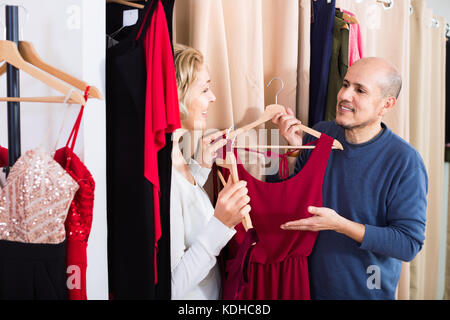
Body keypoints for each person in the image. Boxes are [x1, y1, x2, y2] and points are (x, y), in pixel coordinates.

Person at [272, 57, 428, 299]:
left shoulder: (404, 161)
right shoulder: (322, 133)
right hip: (305, 288)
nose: (344, 95)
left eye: (360, 90)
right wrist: (295, 150)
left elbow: (408, 244)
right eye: (345, 84)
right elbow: (297, 194)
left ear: (386, 105)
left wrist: (340, 225)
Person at [170, 44, 251, 299]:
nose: (213, 97)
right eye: (204, 89)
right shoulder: (164, 181)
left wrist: (200, 168)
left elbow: (186, 206)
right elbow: (171, 288)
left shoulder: (176, 158)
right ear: (177, 96)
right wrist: (221, 224)